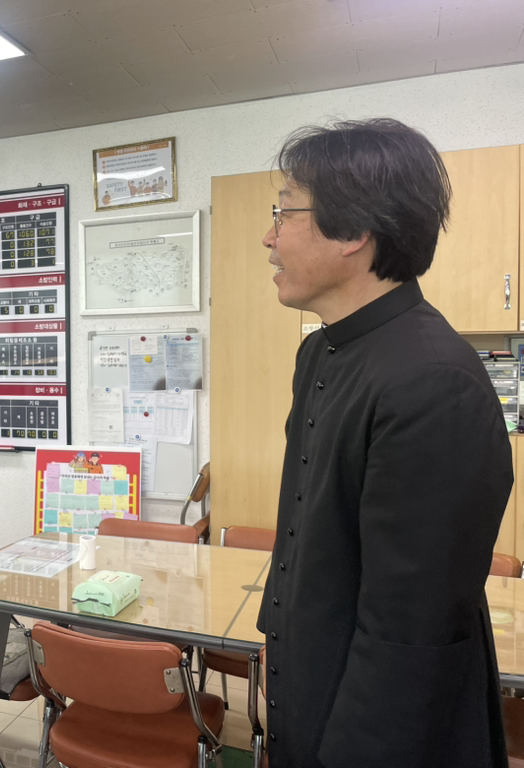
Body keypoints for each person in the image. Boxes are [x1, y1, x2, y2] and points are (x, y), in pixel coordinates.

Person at [257, 119, 513, 768]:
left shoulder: (435, 382)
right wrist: (276, 641)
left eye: (285, 212)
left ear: (354, 232)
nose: (269, 237)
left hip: (387, 731)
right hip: (313, 679)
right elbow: (304, 531)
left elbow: (413, 632)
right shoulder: (319, 353)